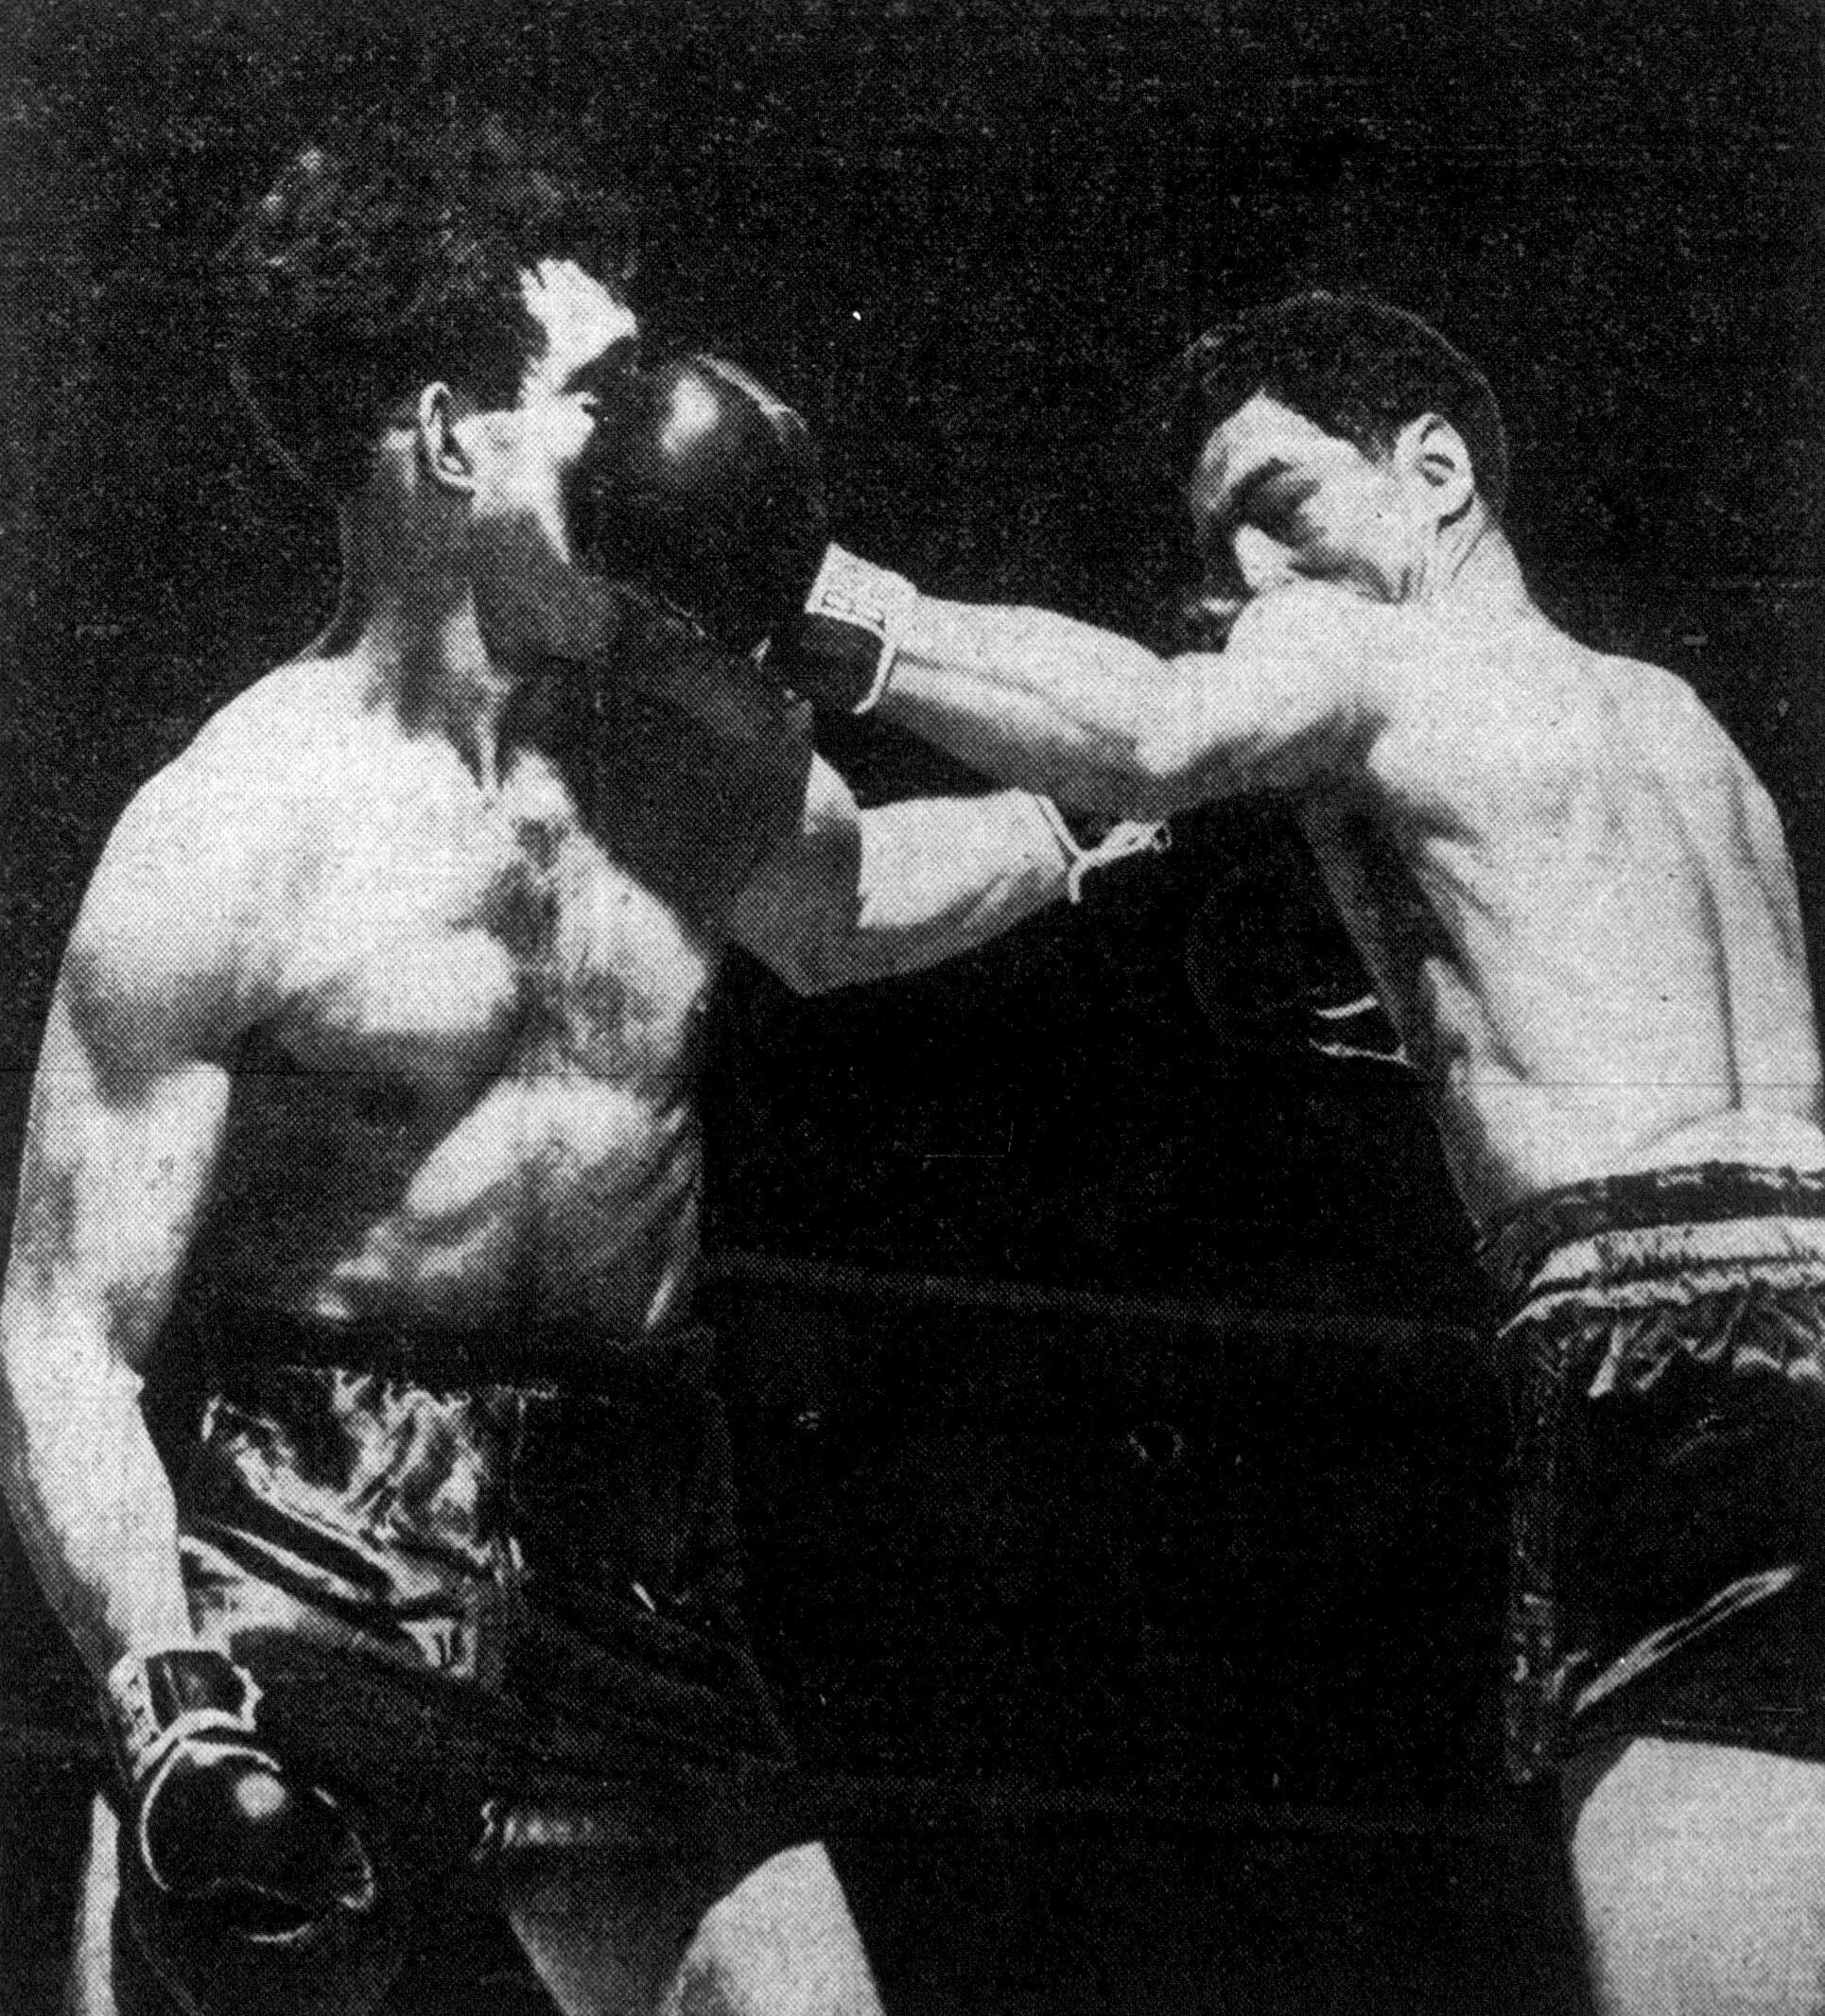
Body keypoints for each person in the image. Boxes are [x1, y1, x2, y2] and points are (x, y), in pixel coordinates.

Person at [0, 121, 1156, 2016]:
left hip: (633, 1536)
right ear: (451, 440)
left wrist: (1094, 839)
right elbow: (64, 1328)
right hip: (313, 1532)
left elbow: (850, 905)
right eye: (596, 392)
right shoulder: (232, 825)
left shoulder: (683, 727)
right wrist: (163, 1694)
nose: (658, 432)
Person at [777, 290, 1825, 2016]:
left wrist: (816, 599)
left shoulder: (1367, 651)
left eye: (1280, 501)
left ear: (1431, 471)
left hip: (1664, 1366)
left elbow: (1149, 736)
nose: (1254, 577)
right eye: (1219, 545)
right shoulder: (1685, 726)